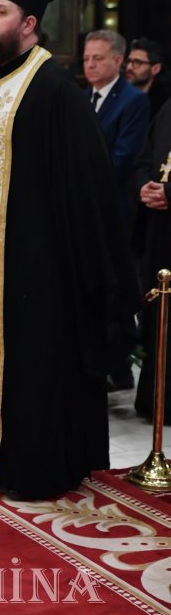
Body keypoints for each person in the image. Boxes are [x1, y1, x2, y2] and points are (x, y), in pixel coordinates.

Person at [0, 0, 139, 500]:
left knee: (33, 370)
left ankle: (35, 466)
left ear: (28, 24)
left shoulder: (53, 89)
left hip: (37, 268)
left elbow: (87, 190)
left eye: (0, 11)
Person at [83, 29, 150, 227]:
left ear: (118, 61)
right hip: (80, 201)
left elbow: (124, 156)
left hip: (112, 202)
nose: (90, 64)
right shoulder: (80, 97)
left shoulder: (134, 100)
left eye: (98, 58)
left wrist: (80, 179)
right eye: (86, 58)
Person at [133, 96, 171, 425]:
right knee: (158, 315)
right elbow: (144, 158)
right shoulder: (168, 108)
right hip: (159, 231)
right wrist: (144, 185)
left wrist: (169, 193)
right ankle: (155, 400)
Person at [125, 37, 171, 118]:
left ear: (155, 69)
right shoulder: (119, 94)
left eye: (137, 62)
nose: (129, 67)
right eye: (129, 61)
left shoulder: (164, 105)